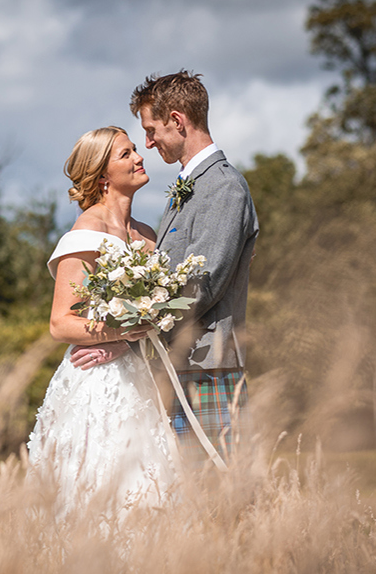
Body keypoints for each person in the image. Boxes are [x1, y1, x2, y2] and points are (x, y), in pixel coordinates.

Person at [73, 71, 259, 469]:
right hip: (179, 368)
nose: (148, 143)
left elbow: (200, 287)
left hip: (209, 369)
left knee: (223, 500)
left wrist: (129, 340)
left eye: (152, 129)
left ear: (177, 120)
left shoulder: (223, 187)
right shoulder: (188, 187)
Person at [26, 126, 179, 521]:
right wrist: (120, 334)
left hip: (145, 378)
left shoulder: (147, 236)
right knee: (101, 488)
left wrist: (127, 341)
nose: (139, 157)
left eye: (134, 151)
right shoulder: (87, 233)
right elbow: (61, 323)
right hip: (100, 384)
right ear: (102, 176)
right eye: (126, 154)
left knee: (151, 490)